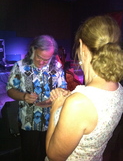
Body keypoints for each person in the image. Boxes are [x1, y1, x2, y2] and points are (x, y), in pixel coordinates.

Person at [45, 15, 123, 161]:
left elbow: (54, 156)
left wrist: (56, 107)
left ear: (82, 46)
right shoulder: (118, 88)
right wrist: (71, 97)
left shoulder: (79, 103)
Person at [6, 35, 67, 161]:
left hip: (51, 121)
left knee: (48, 155)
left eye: (46, 59)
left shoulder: (57, 67)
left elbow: (64, 88)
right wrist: (23, 96)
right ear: (33, 49)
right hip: (28, 122)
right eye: (39, 57)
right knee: (29, 155)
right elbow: (10, 90)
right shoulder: (20, 66)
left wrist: (61, 92)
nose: (41, 62)